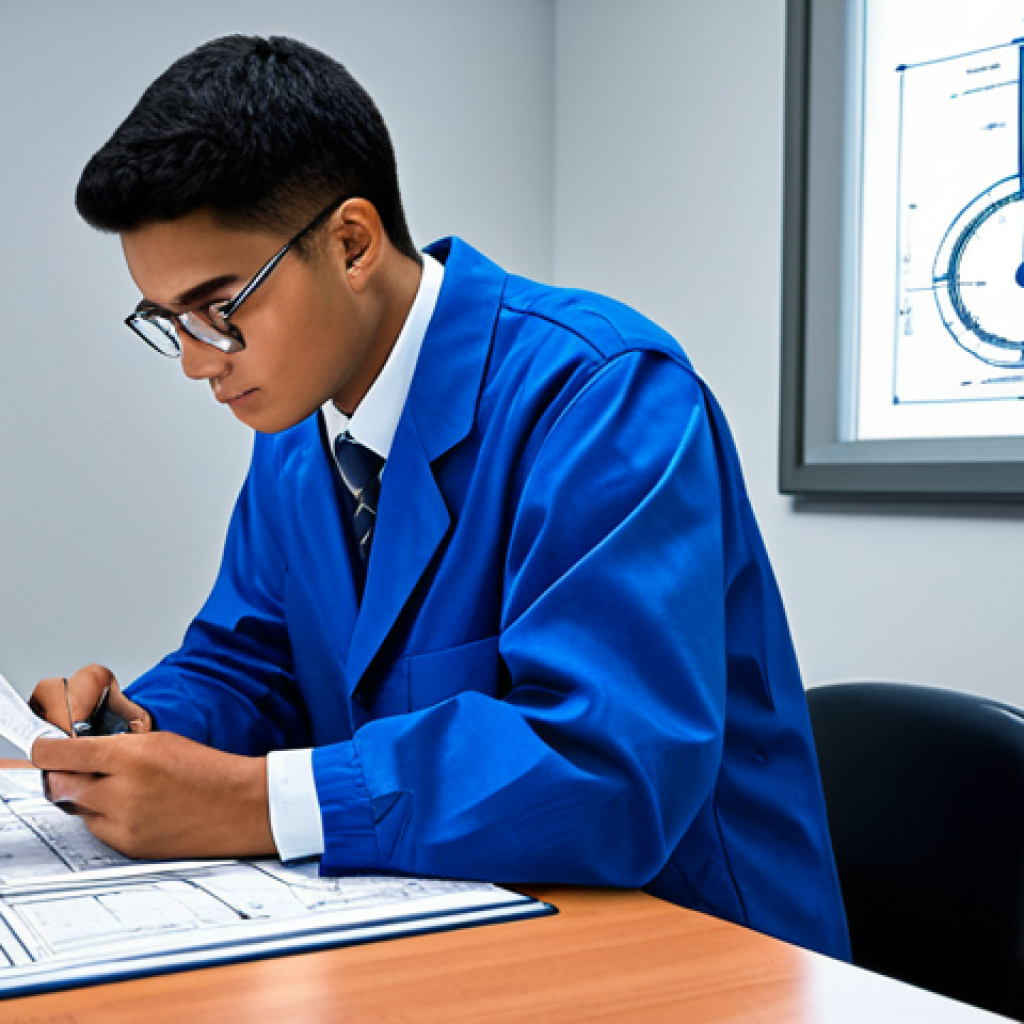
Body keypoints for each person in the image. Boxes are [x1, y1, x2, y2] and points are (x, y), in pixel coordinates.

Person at [30, 34, 849, 959]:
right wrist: (137, 732)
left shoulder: (605, 393)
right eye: (167, 320)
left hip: (701, 954)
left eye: (221, 309)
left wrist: (250, 803)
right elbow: (251, 663)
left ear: (350, 244)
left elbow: (608, 764)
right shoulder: (300, 430)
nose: (193, 361)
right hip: (457, 930)